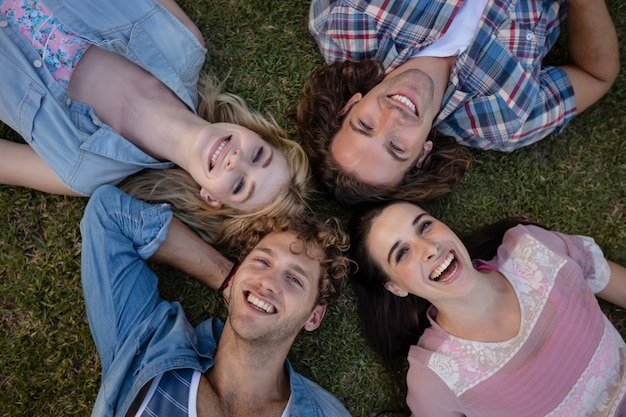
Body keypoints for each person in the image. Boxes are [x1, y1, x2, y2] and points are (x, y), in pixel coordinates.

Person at [0, 0, 310, 246]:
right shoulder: (183, 44)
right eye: (258, 155)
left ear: (211, 198)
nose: (237, 160)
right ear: (254, 133)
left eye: (241, 186)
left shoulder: (83, 169)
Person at [296, 0, 619, 207]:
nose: (392, 118)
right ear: (422, 155)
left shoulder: (343, 22)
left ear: (350, 105)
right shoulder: (503, 119)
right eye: (396, 147)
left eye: (365, 125)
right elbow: (596, 75)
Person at [80, 185, 351, 417]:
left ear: (313, 317)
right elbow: (109, 215)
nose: (267, 281)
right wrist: (225, 277)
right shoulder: (146, 344)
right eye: (261, 261)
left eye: (294, 279)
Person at [349, 200, 626, 416]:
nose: (430, 248)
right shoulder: (434, 378)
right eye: (402, 253)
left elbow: (604, 277)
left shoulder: (535, 248)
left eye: (424, 226)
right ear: (396, 288)